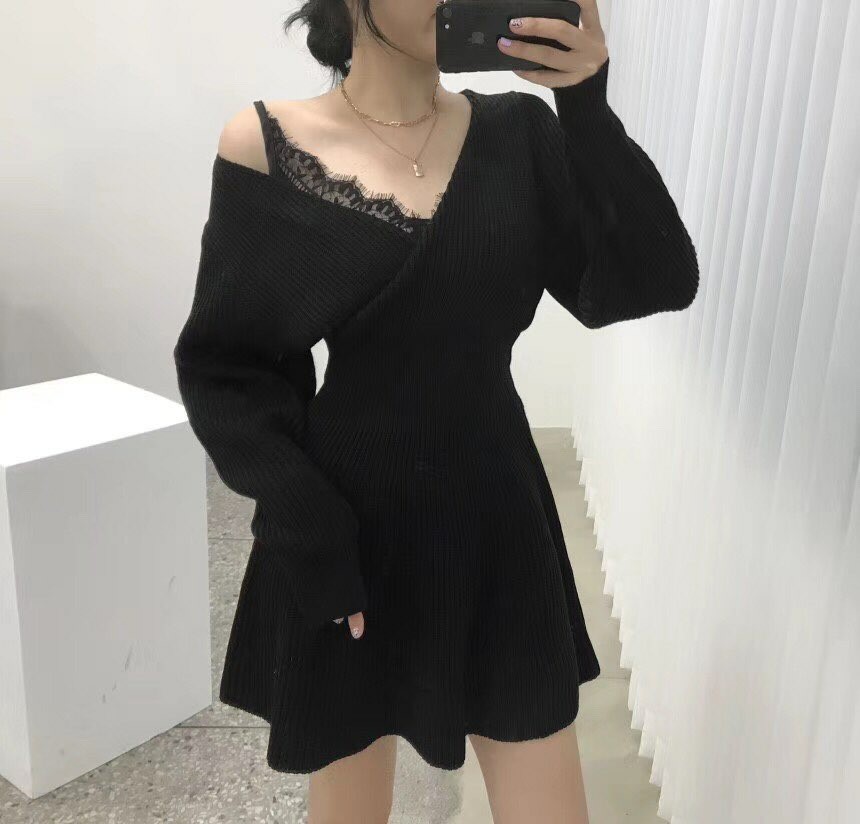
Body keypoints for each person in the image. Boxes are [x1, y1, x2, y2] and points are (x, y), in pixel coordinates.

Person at [172, 1, 699, 821]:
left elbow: (651, 281)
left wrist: (587, 107)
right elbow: (228, 366)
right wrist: (303, 520)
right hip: (345, 517)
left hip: (496, 514)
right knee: (349, 794)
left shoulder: (521, 134)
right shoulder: (268, 142)